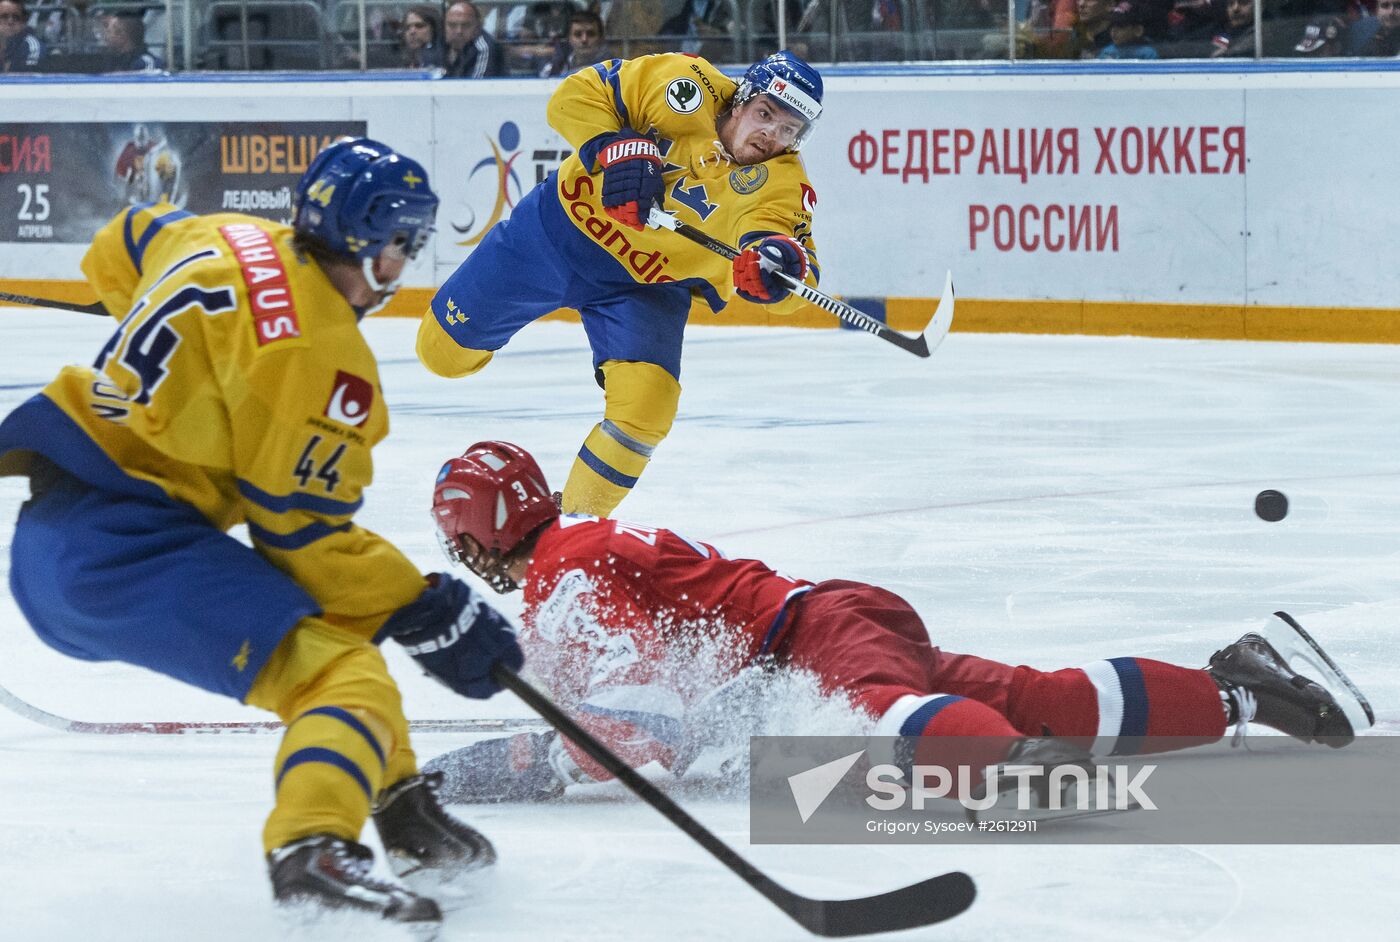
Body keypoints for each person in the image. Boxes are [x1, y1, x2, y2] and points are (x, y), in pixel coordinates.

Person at [0, 139, 527, 929]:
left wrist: (167, 333)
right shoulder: (320, 355)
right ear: (363, 238)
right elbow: (303, 543)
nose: (397, 272)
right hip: (121, 550)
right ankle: (311, 852)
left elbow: (125, 243)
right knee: (340, 676)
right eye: (397, 251)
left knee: (341, 651)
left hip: (72, 531)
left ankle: (400, 804)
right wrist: (426, 606)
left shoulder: (223, 232)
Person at [420, 441, 1373, 804]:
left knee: (881, 709)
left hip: (815, 641)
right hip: (831, 615)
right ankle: (1240, 686)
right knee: (1031, 695)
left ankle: (1007, 774)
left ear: (473, 536)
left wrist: (502, 768)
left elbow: (643, 733)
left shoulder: (564, 579)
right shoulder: (581, 546)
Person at [418, 50, 824, 518]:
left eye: (789, 129)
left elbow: (797, 266)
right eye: (765, 115)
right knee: (440, 355)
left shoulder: (782, 182)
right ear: (741, 101)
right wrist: (616, 146)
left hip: (644, 289)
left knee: (647, 409)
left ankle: (572, 532)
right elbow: (572, 96)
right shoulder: (681, 80)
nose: (770, 136)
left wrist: (778, 267)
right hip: (554, 234)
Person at [443, 0, 506, 77]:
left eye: (466, 25)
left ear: (478, 26)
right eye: (452, 25)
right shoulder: (441, 42)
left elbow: (476, 85)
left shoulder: (484, 47)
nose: (459, 31)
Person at [540, 8, 608, 76]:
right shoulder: (554, 68)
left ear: (601, 38)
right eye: (578, 34)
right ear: (569, 39)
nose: (584, 39)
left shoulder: (612, 69)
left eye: (591, 34)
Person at [0, 0, 43, 72]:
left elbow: (26, 80)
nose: (10, 21)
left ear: (23, 21)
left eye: (16, 17)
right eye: (4, 17)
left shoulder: (32, 47)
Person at [399, 3, 444, 68]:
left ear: (433, 29)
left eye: (419, 26)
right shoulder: (397, 60)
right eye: (407, 27)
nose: (412, 32)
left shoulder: (445, 59)